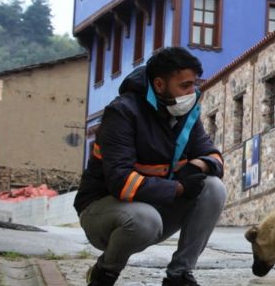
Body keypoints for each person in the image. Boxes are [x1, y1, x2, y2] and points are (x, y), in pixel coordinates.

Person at [74, 47, 227, 286]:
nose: (192, 92)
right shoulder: (122, 113)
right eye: (185, 86)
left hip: (155, 205)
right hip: (104, 210)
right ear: (159, 84)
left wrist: (196, 168)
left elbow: (214, 157)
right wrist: (178, 188)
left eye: (194, 84)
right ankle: (105, 272)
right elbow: (121, 183)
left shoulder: (186, 114)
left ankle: (179, 276)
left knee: (214, 188)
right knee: (145, 221)